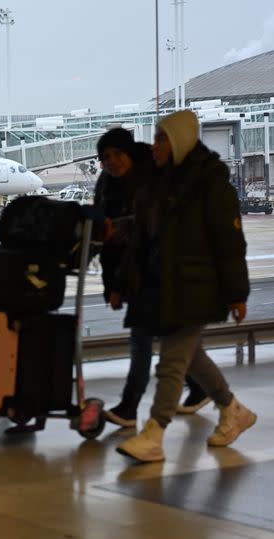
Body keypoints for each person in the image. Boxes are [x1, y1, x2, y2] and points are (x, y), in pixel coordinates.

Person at [116, 109, 256, 463]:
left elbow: (230, 242)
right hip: (165, 286)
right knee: (189, 356)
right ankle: (232, 408)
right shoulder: (162, 183)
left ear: (179, 141)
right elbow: (144, 239)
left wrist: (237, 293)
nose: (155, 145)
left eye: (162, 138)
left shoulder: (210, 184)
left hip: (197, 286)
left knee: (172, 362)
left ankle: (154, 432)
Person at [94, 129, 209, 428]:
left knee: (143, 340)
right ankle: (202, 388)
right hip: (129, 273)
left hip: (156, 272)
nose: (112, 162)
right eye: (106, 157)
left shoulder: (153, 180)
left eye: (118, 154)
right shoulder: (106, 185)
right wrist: (113, 286)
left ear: (130, 152)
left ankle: (130, 407)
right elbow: (106, 241)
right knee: (175, 339)